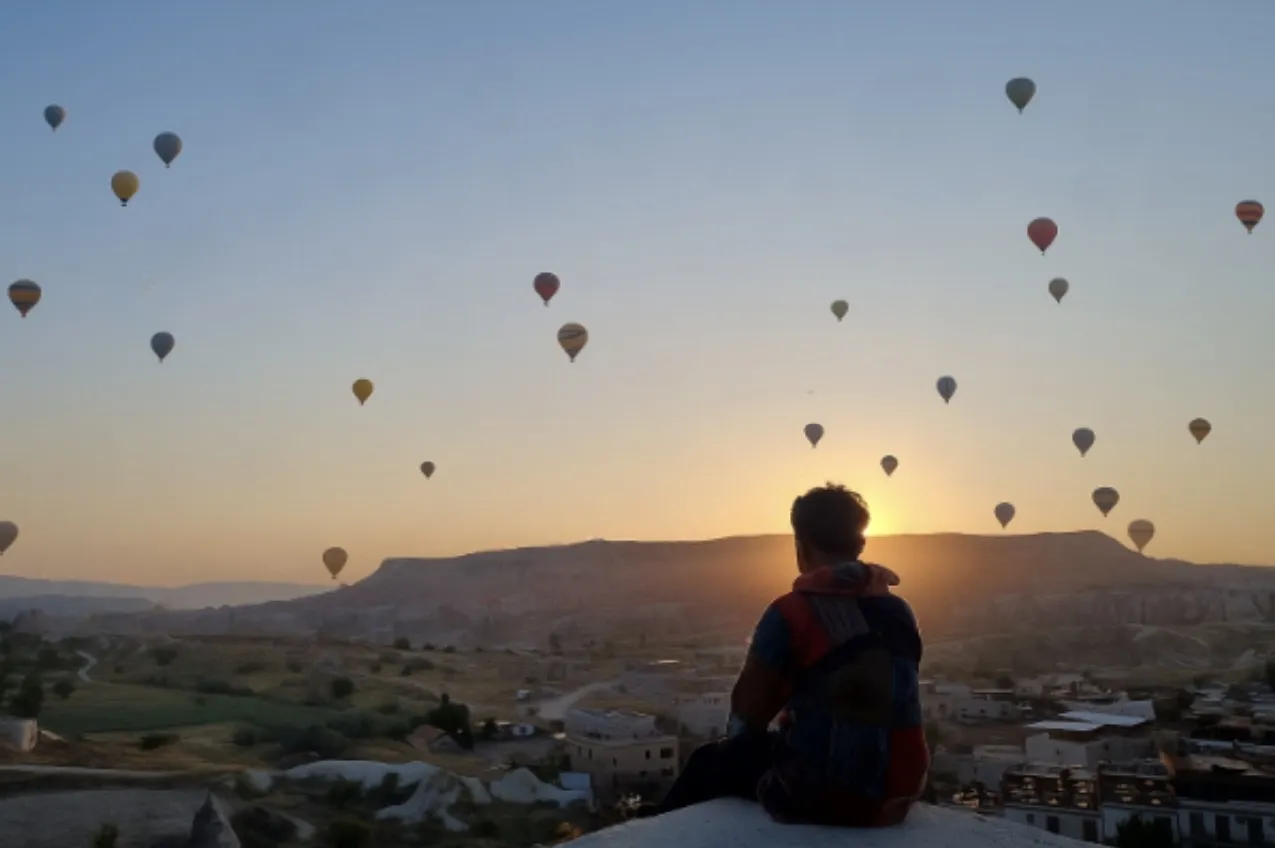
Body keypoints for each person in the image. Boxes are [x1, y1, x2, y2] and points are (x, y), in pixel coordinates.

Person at [640, 483, 929, 826]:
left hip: (826, 796)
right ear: (860, 545)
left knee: (709, 761)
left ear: (800, 547)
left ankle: (653, 829)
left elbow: (748, 716)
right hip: (898, 794)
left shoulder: (792, 613)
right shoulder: (898, 611)